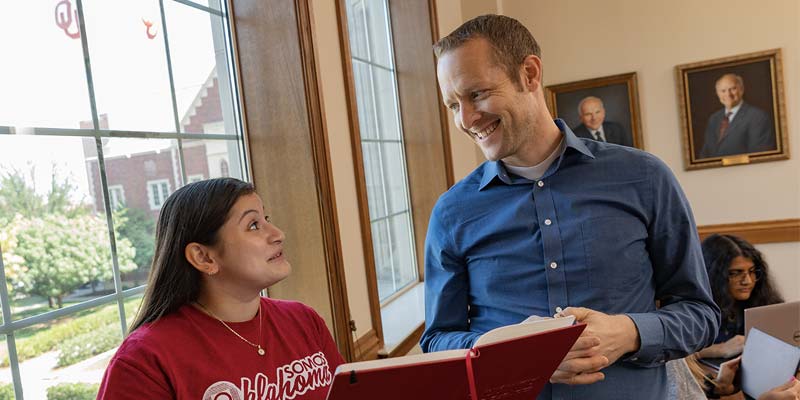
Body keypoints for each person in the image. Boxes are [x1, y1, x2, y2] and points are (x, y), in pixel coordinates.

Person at [421, 14, 720, 399]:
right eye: (452, 105)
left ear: (529, 74)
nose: (465, 119)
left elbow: (701, 314)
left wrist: (628, 333)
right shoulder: (452, 213)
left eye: (476, 94)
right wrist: (508, 352)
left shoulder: (645, 177)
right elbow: (437, 341)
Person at [97, 178, 344, 399]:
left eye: (266, 219)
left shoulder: (305, 321)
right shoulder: (143, 361)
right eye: (254, 225)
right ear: (203, 257)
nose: (278, 234)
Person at [697, 234, 784, 360]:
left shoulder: (765, 301)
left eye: (752, 271)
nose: (747, 281)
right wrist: (719, 349)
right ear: (713, 275)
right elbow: (676, 358)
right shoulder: (695, 310)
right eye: (736, 273)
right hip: (709, 375)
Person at [699, 73, 775, 158]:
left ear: (741, 89)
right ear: (717, 93)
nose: (728, 94)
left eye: (732, 89)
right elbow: (705, 154)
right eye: (723, 91)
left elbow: (759, 156)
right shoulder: (713, 119)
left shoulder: (758, 117)